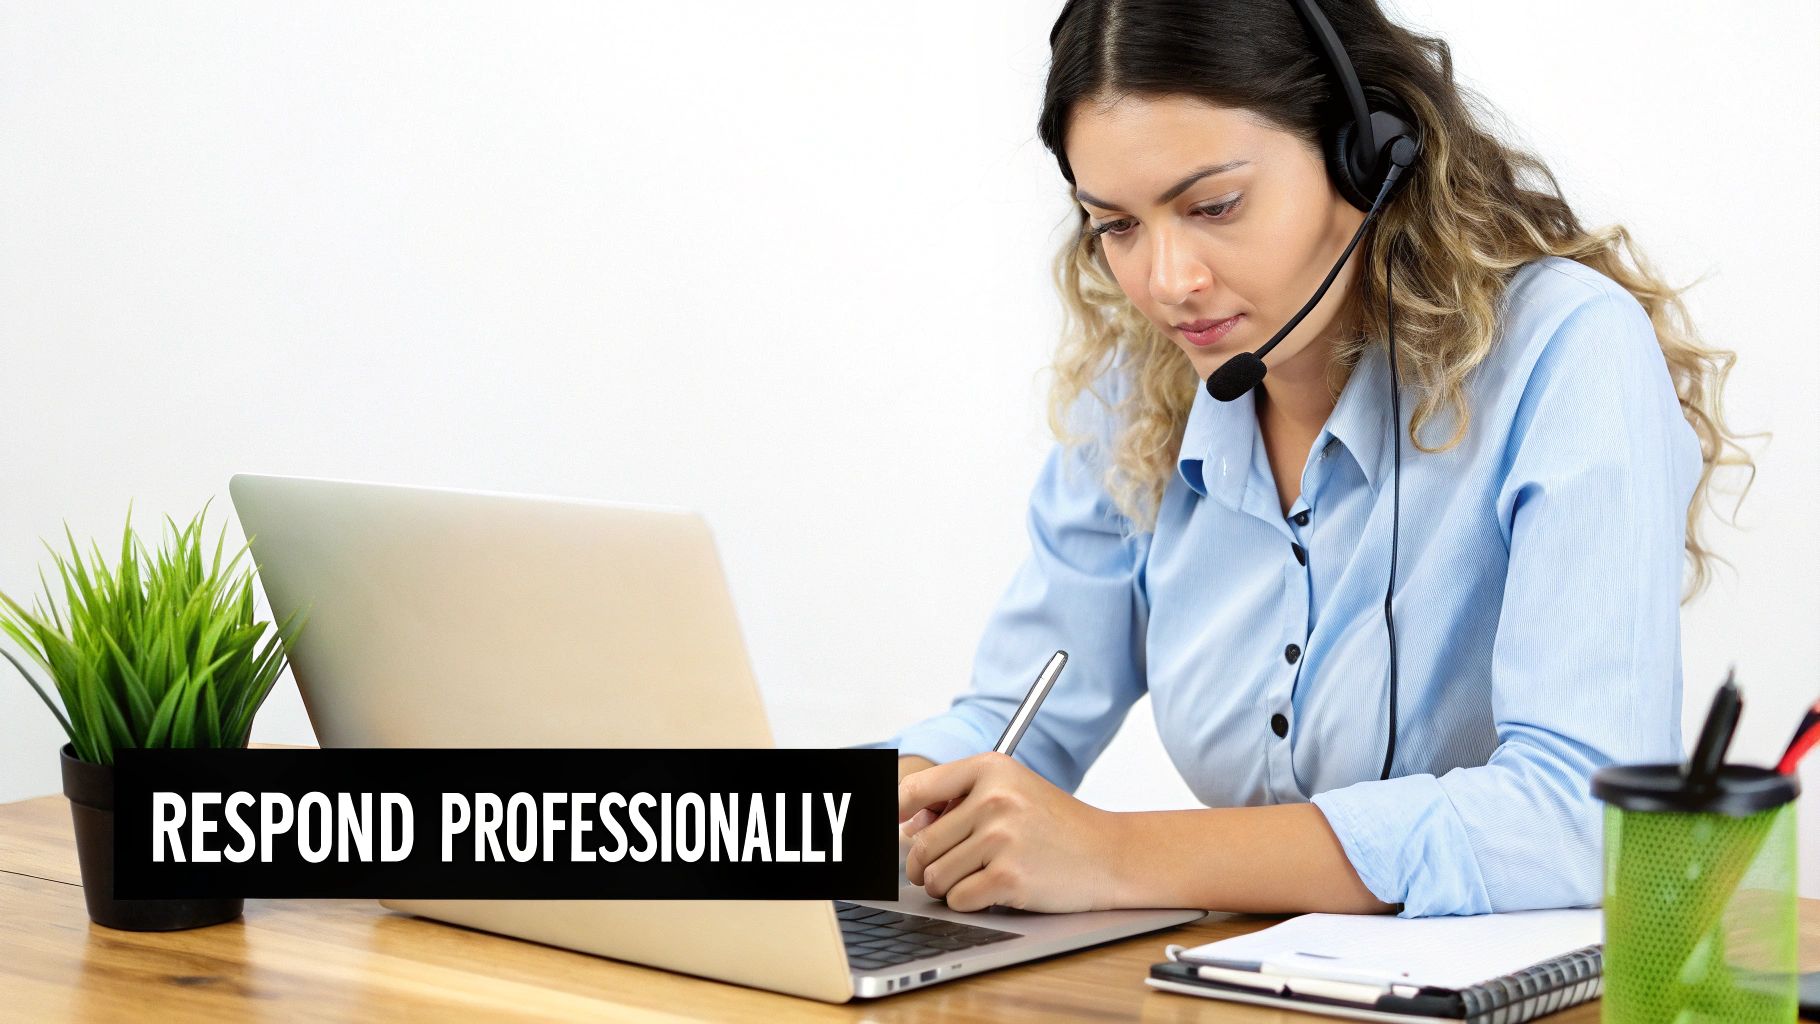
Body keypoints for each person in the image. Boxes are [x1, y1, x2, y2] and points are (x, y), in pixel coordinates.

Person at [871, 0, 1753, 919]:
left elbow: (1584, 815)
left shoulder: (1566, 351)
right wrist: (794, 832)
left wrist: (1118, 854)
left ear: (1363, 155)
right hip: (1238, 979)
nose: (1167, 283)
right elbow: (1007, 729)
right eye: (1118, 226)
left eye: (1214, 206)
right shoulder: (1137, 393)